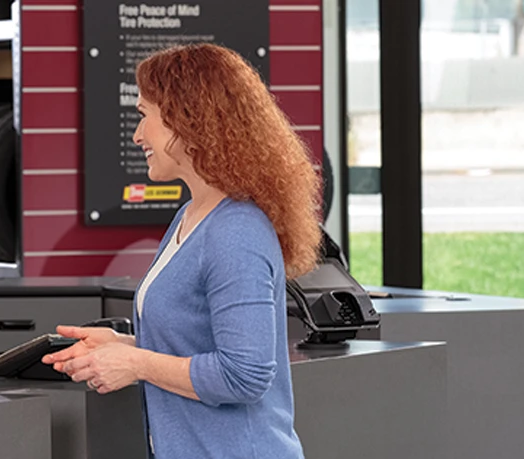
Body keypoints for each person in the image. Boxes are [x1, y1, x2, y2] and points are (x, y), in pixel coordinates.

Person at [43, 43, 320, 458]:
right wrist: (125, 345)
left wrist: (135, 364)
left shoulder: (236, 231)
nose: (137, 135)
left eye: (143, 115)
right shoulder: (192, 216)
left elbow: (244, 374)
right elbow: (198, 343)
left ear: (187, 119)